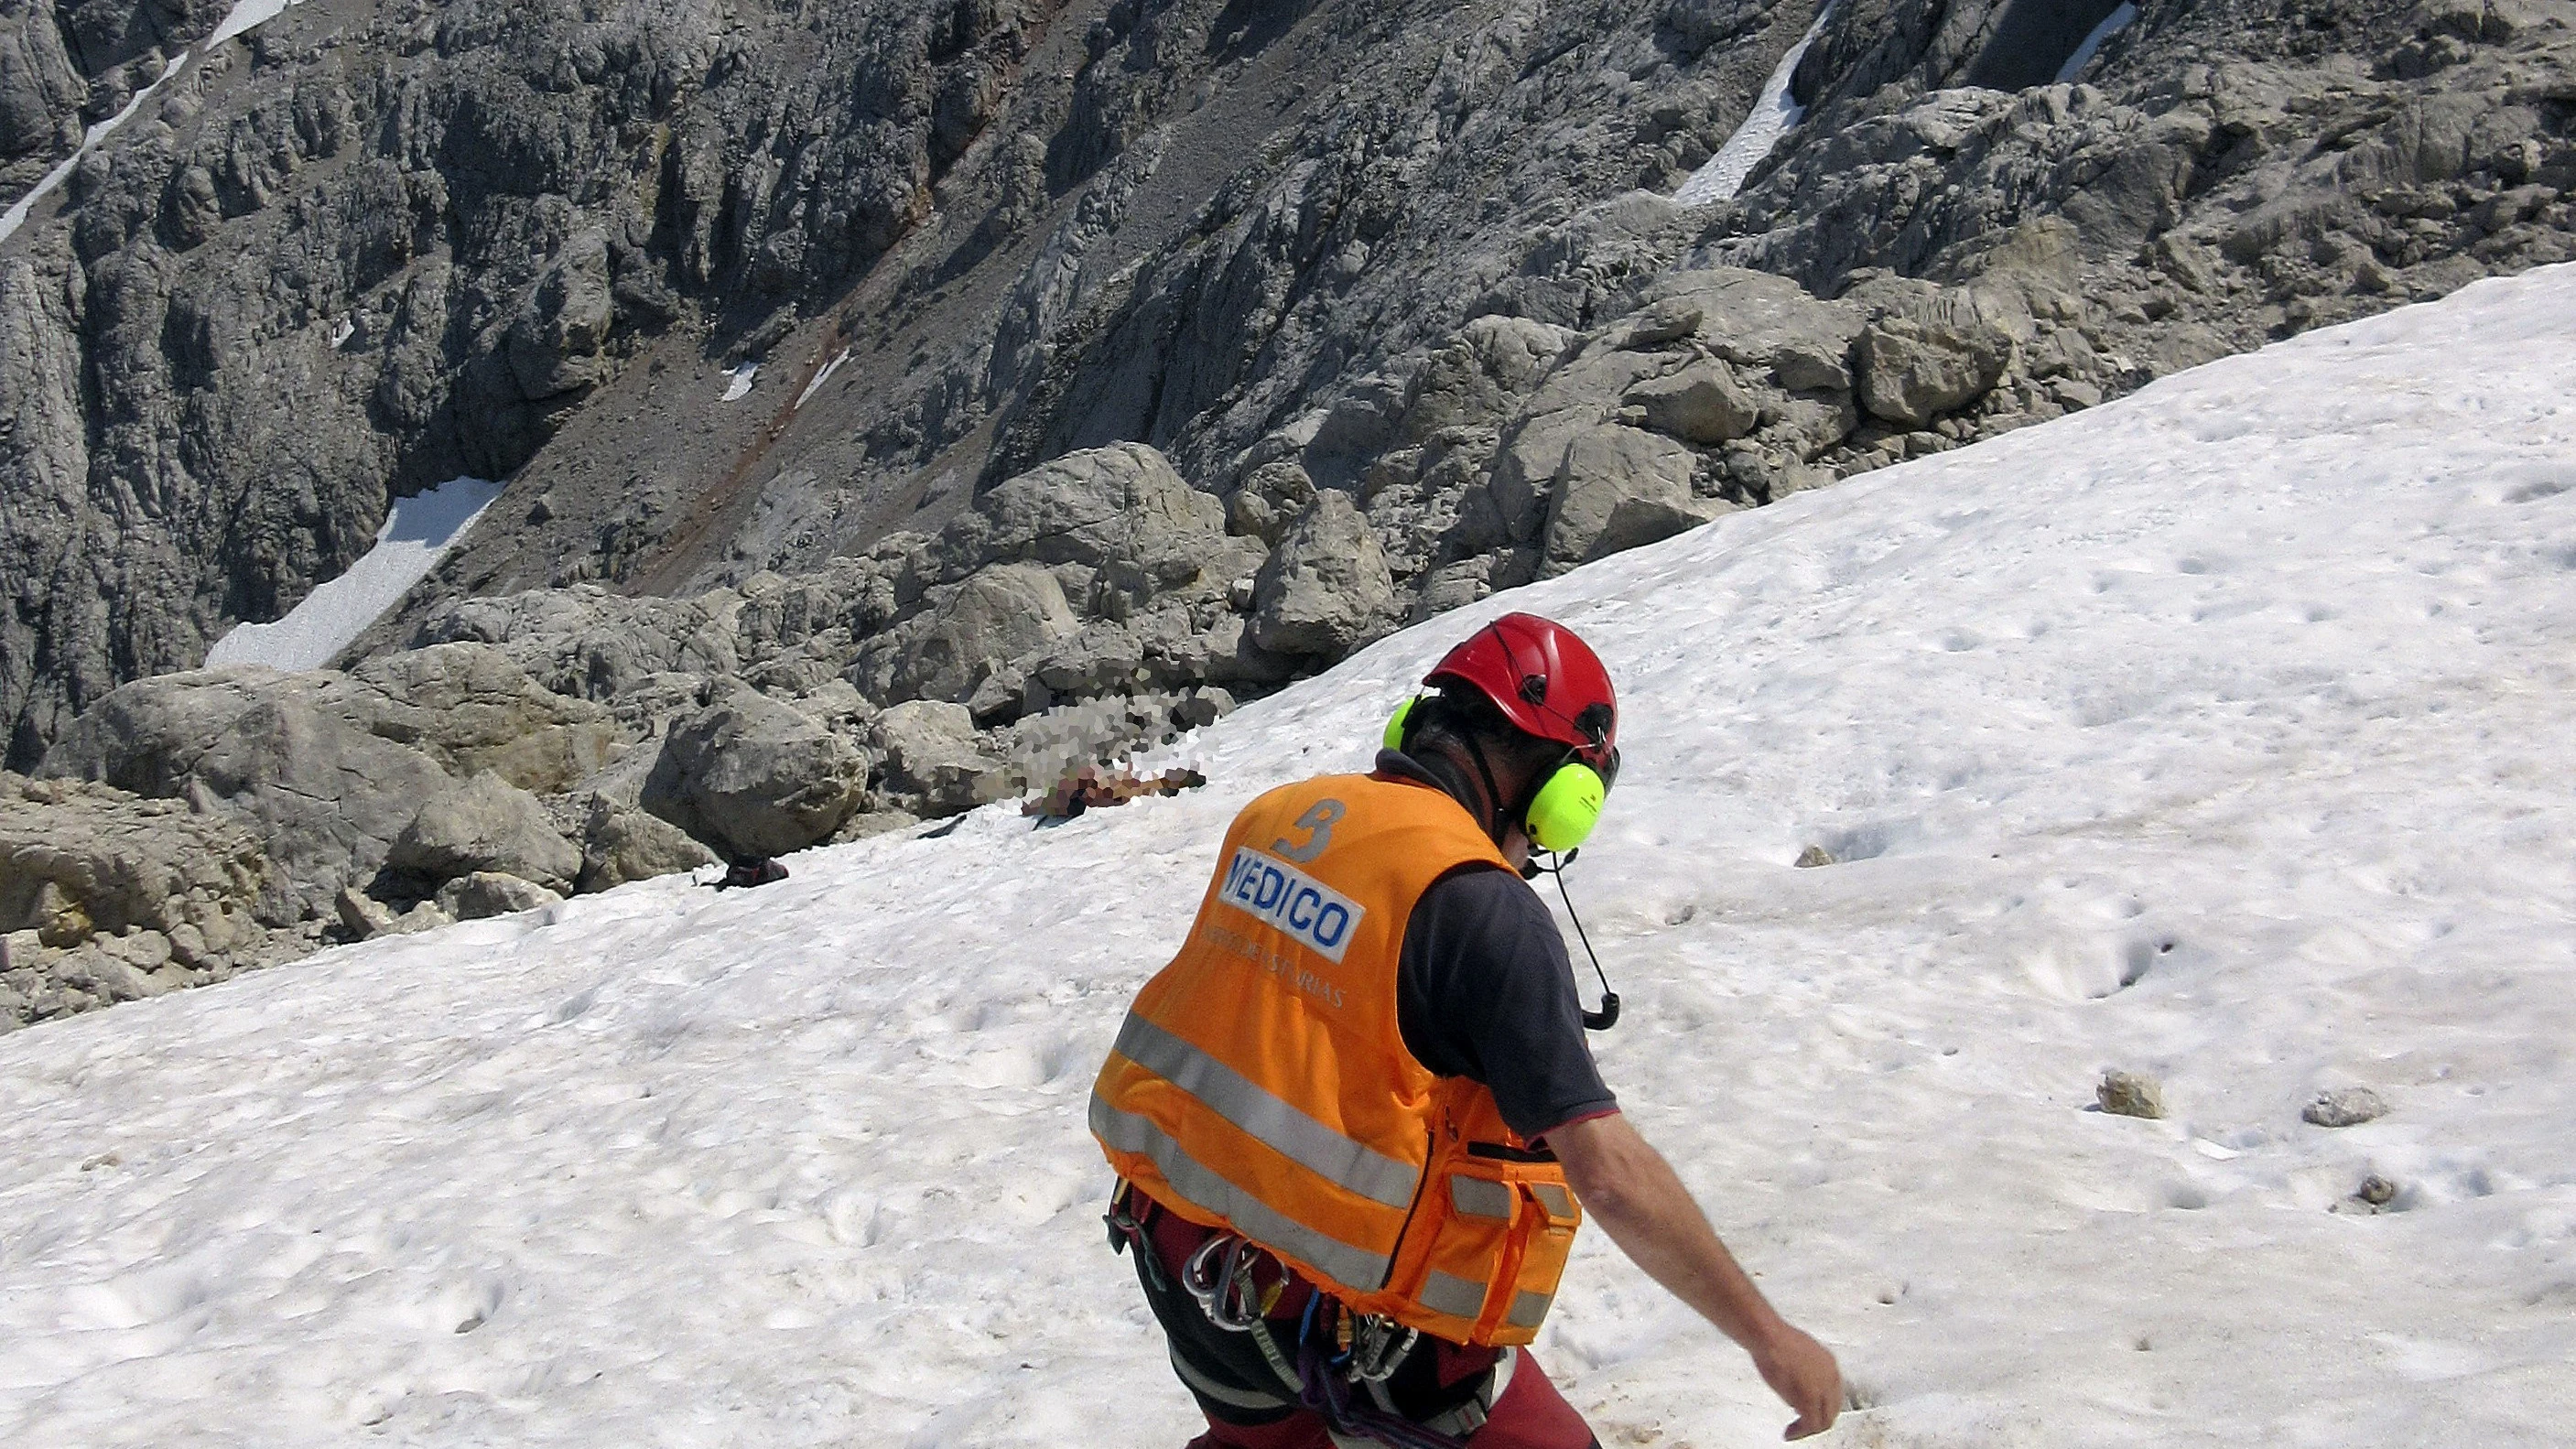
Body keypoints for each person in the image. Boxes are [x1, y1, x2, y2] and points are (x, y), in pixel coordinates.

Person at [1090, 612, 1843, 1447]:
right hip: (1353, 1328)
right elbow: (1611, 1175)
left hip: (1185, 1269)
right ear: (1563, 793)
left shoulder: (1278, 815)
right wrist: (1772, 1339)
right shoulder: (1482, 906)